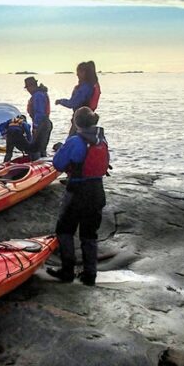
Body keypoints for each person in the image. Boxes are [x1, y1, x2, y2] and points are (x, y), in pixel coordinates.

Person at [46, 106, 109, 286]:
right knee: (90, 234)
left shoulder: (75, 141)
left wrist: (60, 149)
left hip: (78, 191)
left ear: (77, 122)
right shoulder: (100, 139)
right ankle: (90, 274)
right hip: (97, 190)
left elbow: (58, 164)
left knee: (65, 230)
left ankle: (67, 270)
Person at [55, 61, 101, 136]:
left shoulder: (85, 88)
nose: (77, 74)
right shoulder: (92, 85)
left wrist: (60, 101)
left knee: (71, 141)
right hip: (88, 121)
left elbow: (72, 103)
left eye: (78, 72)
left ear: (84, 72)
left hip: (81, 120)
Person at [24, 76, 53, 160]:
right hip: (45, 124)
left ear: (32, 86)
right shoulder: (41, 93)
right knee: (41, 147)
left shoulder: (38, 96)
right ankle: (42, 161)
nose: (28, 90)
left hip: (42, 124)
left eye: (28, 87)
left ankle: (37, 165)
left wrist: (36, 127)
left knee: (35, 148)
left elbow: (39, 113)